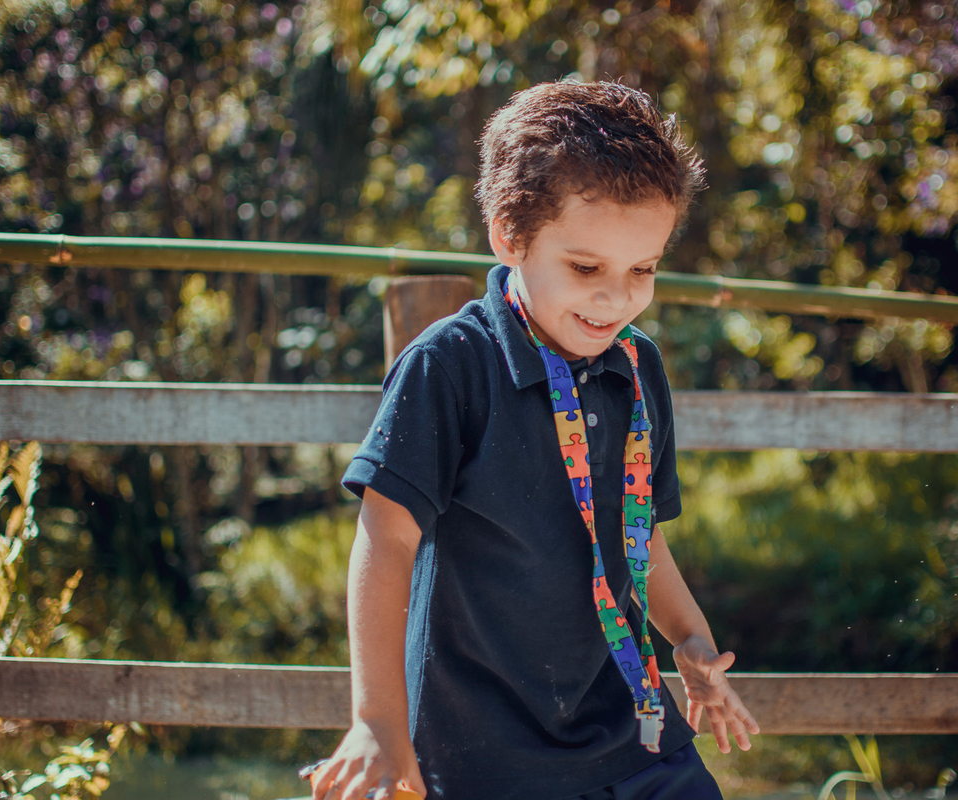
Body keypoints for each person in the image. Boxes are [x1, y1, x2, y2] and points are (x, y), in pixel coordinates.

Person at [309, 80, 759, 800]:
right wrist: (376, 724)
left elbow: (641, 534)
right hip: (483, 757)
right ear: (510, 237)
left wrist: (691, 640)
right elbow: (385, 540)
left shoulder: (638, 367)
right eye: (586, 268)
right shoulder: (448, 364)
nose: (617, 297)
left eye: (642, 269)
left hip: (631, 736)